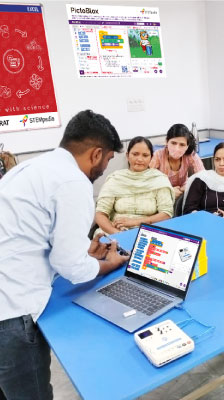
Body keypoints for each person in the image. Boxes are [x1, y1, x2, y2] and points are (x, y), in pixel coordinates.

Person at [0, 110, 130, 400]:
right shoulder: (74, 182)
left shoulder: (32, 168)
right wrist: (105, 265)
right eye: (109, 159)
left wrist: (84, 253)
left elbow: (32, 235)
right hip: (12, 311)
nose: (106, 168)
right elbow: (69, 265)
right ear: (97, 154)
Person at [95, 136, 174, 234]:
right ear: (127, 156)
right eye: (135, 154)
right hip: (115, 232)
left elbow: (166, 214)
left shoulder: (159, 180)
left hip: (148, 232)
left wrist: (134, 222)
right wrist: (118, 235)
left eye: (145, 155)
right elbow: (100, 214)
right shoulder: (116, 179)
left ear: (151, 157)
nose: (140, 159)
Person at [149, 123, 205, 199]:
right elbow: (147, 181)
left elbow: (203, 177)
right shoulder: (158, 155)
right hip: (161, 194)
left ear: (187, 146)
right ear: (166, 141)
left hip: (183, 192)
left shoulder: (190, 155)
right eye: (173, 143)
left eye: (182, 145)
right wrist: (168, 192)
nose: (177, 148)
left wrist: (188, 186)